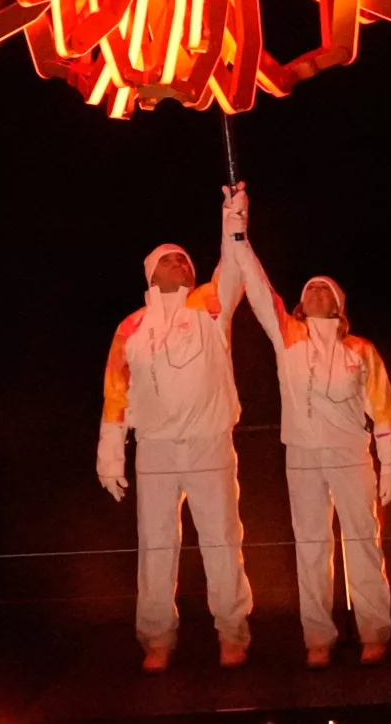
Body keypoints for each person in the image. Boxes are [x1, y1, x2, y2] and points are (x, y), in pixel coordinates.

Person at [227, 183, 391, 669]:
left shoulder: (360, 351)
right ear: (301, 305)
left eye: (325, 288)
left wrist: (389, 465)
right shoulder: (288, 337)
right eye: (309, 289)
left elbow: (383, 410)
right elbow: (258, 288)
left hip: (350, 455)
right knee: (311, 547)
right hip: (302, 456)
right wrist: (238, 231)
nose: (316, 291)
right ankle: (318, 638)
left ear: (339, 304)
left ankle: (374, 632)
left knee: (363, 544)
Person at [96, 199, 253, 674]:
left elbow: (233, 267)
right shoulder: (131, 327)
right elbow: (116, 390)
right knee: (157, 547)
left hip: (209, 442)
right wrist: (110, 455)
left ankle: (232, 633)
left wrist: (232, 220)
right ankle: (157, 640)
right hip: (156, 448)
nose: (180, 263)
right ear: (151, 274)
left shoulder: (210, 305)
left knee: (222, 542)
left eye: (184, 258)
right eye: (169, 259)